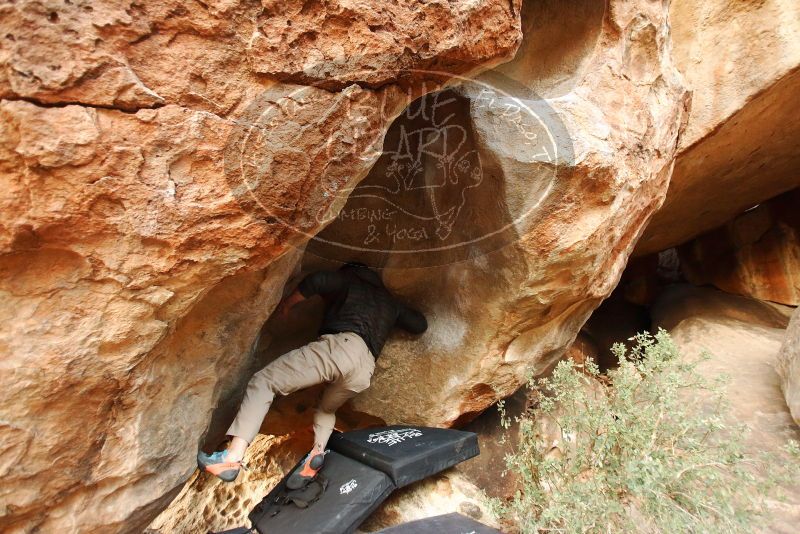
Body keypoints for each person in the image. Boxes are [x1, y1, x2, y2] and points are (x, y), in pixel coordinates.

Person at [197, 262, 427, 488]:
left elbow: (319, 280)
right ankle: (314, 458)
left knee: (264, 382)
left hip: (340, 347)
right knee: (327, 409)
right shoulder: (388, 302)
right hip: (364, 369)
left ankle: (231, 458)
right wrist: (393, 307)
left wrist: (289, 303)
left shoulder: (350, 281)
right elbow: (419, 324)